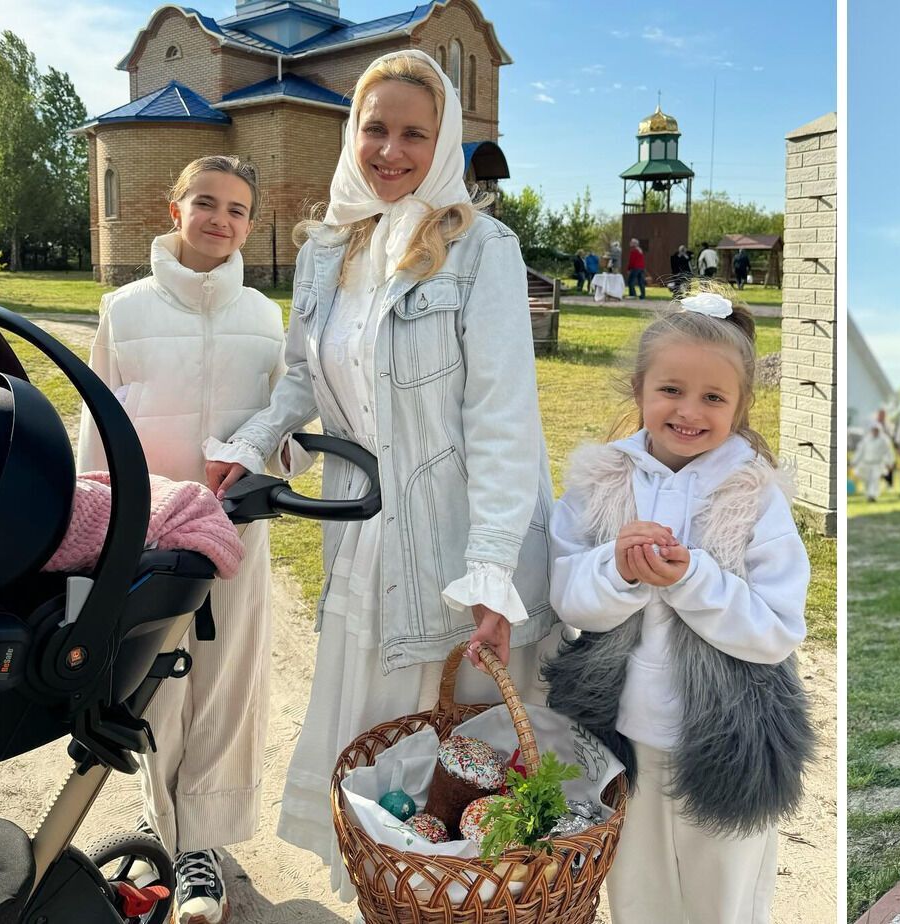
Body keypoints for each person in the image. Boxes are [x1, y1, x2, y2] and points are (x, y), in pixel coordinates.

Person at [202, 49, 557, 893]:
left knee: (463, 788)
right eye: (376, 128)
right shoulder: (330, 249)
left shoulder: (482, 250)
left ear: (442, 146)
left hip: (457, 550)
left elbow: (504, 421)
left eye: (413, 134)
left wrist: (494, 572)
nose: (390, 150)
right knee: (381, 786)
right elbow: (302, 374)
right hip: (365, 542)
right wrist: (249, 444)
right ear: (352, 132)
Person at [77, 155, 306, 924]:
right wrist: (95, 529)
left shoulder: (267, 318)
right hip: (149, 533)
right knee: (152, 683)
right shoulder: (125, 309)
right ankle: (163, 819)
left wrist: (288, 453)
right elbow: (96, 427)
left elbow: (287, 423)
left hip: (236, 533)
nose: (220, 219)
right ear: (175, 210)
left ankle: (203, 839)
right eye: (205, 203)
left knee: (225, 685)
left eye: (237, 209)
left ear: (251, 223)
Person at [544, 282, 811, 924]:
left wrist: (691, 579)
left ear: (741, 405)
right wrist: (622, 571)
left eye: (713, 397)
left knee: (721, 897)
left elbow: (776, 629)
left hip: (726, 734)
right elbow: (567, 596)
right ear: (639, 390)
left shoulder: (753, 495)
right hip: (625, 731)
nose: (689, 411)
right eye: (671, 390)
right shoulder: (603, 479)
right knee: (637, 893)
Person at [854, 420, 896, 502]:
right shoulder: (866, 440)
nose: (875, 432)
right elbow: (860, 451)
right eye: (874, 430)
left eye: (876, 430)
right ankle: (868, 494)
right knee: (867, 480)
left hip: (877, 464)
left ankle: (873, 495)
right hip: (866, 463)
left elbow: (888, 452)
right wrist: (854, 461)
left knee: (875, 479)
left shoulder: (884, 440)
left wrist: (890, 462)